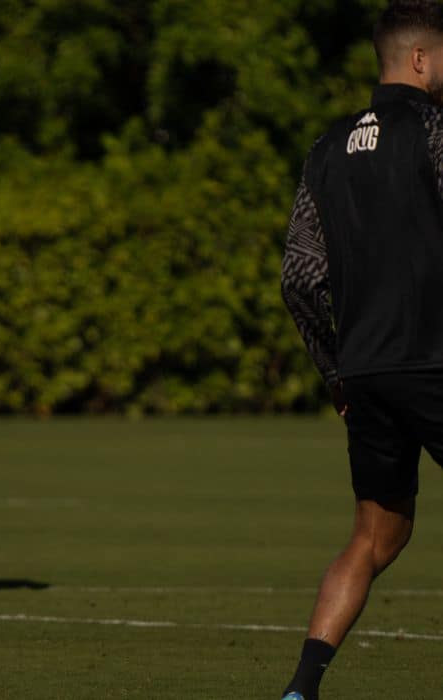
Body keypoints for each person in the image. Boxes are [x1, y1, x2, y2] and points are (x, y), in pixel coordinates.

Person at [279, 3, 443, 698]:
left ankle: (301, 688)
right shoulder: (435, 132)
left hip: (367, 372)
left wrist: (335, 374)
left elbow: (298, 278)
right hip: (434, 360)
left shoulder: (326, 149)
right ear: (420, 59)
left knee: (377, 537)